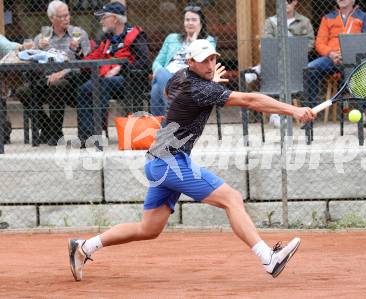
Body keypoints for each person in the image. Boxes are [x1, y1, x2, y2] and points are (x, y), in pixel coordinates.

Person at [68, 39, 316, 281]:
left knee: (148, 229)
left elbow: (168, 90)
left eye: (212, 59)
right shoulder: (201, 88)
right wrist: (293, 110)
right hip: (169, 161)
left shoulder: (182, 77)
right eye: (203, 61)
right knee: (232, 198)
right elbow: (250, 100)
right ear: (191, 62)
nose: (210, 65)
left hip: (158, 162)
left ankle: (85, 246)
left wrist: (212, 86)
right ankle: (267, 258)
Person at [15, 0, 90, 145]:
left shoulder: (79, 34)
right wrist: (37, 47)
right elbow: (32, 61)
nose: (66, 19)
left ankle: (53, 134)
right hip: (46, 79)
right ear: (51, 18)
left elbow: (87, 62)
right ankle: (50, 129)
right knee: (22, 91)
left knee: (58, 84)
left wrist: (63, 71)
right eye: (61, 17)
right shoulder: (41, 38)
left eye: (67, 15)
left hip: (72, 81)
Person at [76, 2, 149, 146]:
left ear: (114, 19)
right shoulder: (107, 38)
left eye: (104, 17)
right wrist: (78, 54)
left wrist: (121, 67)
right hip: (106, 80)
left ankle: (98, 132)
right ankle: (86, 136)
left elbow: (145, 64)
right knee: (83, 89)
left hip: (130, 81)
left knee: (101, 83)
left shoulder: (135, 35)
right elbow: (92, 57)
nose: (100, 20)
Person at [303, 0, 366, 127]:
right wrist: (331, 54)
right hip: (332, 58)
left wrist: (350, 54)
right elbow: (319, 43)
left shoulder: (363, 17)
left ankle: (361, 112)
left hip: (354, 58)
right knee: (309, 69)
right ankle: (310, 113)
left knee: (363, 69)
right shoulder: (327, 18)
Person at [150, 4, 216, 116]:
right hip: (167, 76)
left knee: (156, 88)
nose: (190, 23)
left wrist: (194, 40)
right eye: (187, 20)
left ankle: (163, 123)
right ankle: (174, 114)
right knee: (160, 75)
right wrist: (159, 73)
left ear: (201, 23)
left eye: (194, 20)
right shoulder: (172, 38)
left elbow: (205, 62)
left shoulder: (208, 41)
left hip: (187, 77)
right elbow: (157, 62)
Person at [260, 0, 315, 127]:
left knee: (306, 70)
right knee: (275, 64)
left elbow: (310, 43)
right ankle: (278, 113)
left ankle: (281, 114)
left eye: (289, 1)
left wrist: (294, 50)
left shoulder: (304, 21)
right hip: (276, 60)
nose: (285, 3)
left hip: (298, 60)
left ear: (295, 2)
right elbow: (267, 43)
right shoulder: (271, 21)